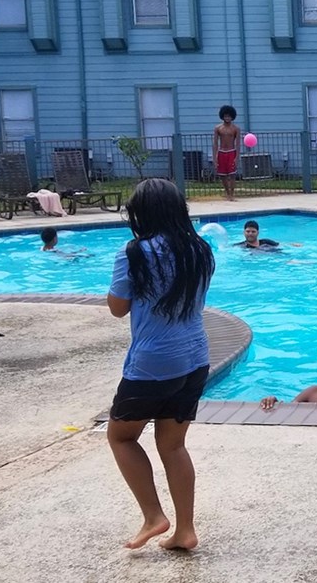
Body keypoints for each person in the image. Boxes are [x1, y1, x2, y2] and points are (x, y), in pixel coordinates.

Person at [105, 178, 216, 551]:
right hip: (195, 359)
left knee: (120, 436)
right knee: (173, 445)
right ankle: (185, 530)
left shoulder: (134, 253)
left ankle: (154, 516)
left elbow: (118, 308)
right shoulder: (200, 250)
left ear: (141, 214)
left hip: (152, 363)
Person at [213, 104, 242, 201]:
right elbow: (215, 144)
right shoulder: (218, 128)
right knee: (223, 175)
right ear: (222, 116)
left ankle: (232, 194)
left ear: (232, 117)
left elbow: (237, 144)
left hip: (231, 152)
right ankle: (227, 193)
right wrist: (214, 158)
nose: (227, 118)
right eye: (225, 116)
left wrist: (237, 157)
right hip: (221, 153)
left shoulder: (236, 129)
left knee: (232, 175)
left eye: (229, 116)